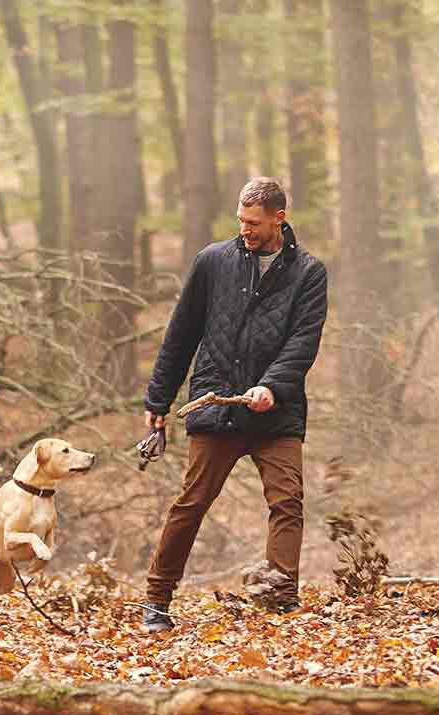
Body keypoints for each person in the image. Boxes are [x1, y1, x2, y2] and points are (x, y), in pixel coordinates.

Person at [139, 177, 328, 632]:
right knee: (192, 503)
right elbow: (181, 334)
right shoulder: (212, 262)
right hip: (214, 405)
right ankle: (156, 601)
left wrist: (271, 386)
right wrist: (158, 399)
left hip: (276, 414)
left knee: (288, 503)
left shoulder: (308, 272)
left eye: (254, 223)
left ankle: (279, 599)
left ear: (278, 218)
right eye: (241, 221)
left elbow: (303, 342)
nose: (245, 229)